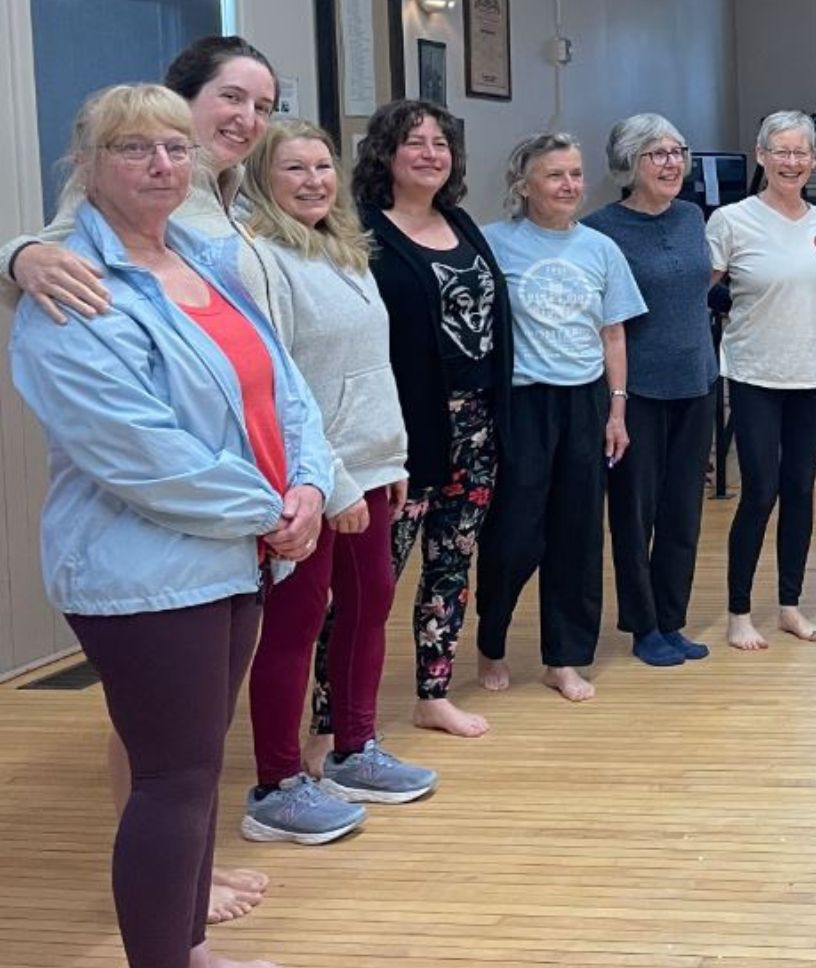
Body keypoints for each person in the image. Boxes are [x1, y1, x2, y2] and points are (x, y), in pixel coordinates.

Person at [11, 82, 333, 968]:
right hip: (142, 568)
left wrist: (306, 482)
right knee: (172, 781)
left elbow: (283, 390)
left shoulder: (198, 257)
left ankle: (186, 948)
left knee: (193, 775)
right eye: (133, 149)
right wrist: (272, 510)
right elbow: (134, 450)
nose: (161, 165)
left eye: (173, 147)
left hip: (229, 557)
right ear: (85, 166)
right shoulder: (72, 283)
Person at [236, 119, 434, 845]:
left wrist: (393, 459)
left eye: (323, 166)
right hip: (313, 480)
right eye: (295, 169)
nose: (315, 180)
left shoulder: (344, 251)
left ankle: (355, 749)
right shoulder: (259, 258)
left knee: (369, 607)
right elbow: (280, 386)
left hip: (372, 467)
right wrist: (338, 481)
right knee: (295, 624)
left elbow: (372, 372)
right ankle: (277, 784)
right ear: (262, 176)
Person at [352, 99, 515, 731]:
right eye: (414, 142)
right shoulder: (360, 233)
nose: (430, 153)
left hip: (475, 430)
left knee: (452, 565)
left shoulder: (461, 222)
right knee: (373, 586)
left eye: (440, 143)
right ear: (385, 154)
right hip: (403, 434)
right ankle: (335, 718)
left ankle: (433, 694)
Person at [474, 133, 644, 701]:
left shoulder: (601, 249)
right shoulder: (492, 243)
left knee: (577, 534)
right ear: (524, 185)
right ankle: (491, 641)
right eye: (555, 175)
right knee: (514, 534)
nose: (569, 185)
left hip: (585, 401)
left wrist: (617, 408)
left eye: (575, 174)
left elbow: (614, 332)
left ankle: (564, 658)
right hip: (523, 403)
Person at [707, 111, 816, 649]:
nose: (792, 162)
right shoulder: (731, 222)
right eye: (781, 152)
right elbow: (699, 293)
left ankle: (790, 605)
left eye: (802, 153)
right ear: (762, 156)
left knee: (800, 490)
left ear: (813, 160)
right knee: (760, 491)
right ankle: (739, 611)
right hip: (755, 376)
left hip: (813, 378)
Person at [584, 114, 717, 667]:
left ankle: (672, 619)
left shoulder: (691, 217)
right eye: (655, 154)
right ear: (628, 164)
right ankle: (643, 627)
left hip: (698, 383)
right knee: (635, 515)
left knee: (684, 511)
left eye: (677, 151)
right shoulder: (600, 230)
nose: (671, 163)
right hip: (635, 392)